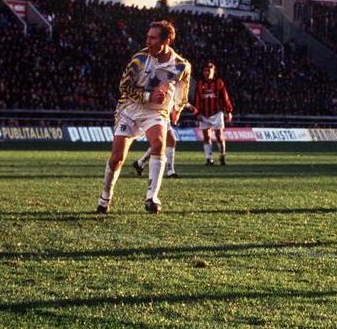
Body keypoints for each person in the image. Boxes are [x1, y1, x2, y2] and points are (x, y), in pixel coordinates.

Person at [97, 20, 191, 214]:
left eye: (153, 38)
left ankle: (152, 198)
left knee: (158, 144)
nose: (148, 41)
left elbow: (183, 90)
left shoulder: (181, 66)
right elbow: (123, 86)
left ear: (167, 40)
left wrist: (177, 108)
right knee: (117, 158)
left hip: (155, 112)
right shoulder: (139, 58)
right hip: (129, 110)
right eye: (148, 37)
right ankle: (105, 198)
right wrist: (148, 95)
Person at [133, 102, 196, 179]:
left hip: (163, 113)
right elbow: (178, 97)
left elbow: (179, 97)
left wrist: (187, 106)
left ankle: (140, 162)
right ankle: (170, 171)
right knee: (169, 141)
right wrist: (189, 107)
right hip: (158, 113)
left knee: (162, 143)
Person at [194, 62, 234, 165]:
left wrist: (228, 111)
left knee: (219, 135)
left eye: (209, 71)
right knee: (206, 136)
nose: (207, 73)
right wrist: (197, 113)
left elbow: (225, 98)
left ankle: (222, 156)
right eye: (205, 71)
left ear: (213, 71)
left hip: (216, 113)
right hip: (204, 114)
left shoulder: (219, 83)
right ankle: (209, 158)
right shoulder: (199, 83)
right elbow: (197, 99)